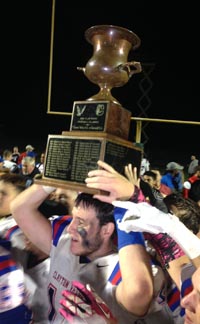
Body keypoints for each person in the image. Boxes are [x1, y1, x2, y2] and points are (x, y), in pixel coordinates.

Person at [11, 184, 175, 324]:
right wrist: (52, 177)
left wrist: (125, 208)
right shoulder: (65, 238)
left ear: (107, 230)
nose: (70, 227)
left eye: (80, 222)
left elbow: (139, 295)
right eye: (73, 218)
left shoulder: (130, 269)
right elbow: (20, 209)